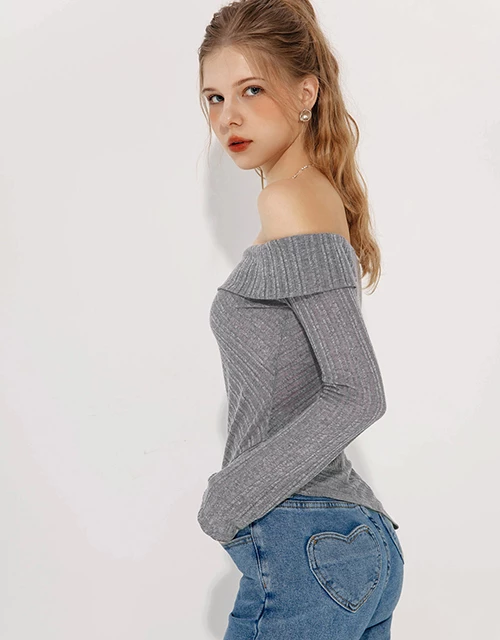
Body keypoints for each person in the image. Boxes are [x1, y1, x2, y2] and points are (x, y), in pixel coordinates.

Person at [196, 1, 405, 638]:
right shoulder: (312, 196)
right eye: (213, 98)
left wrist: (228, 500)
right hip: (349, 546)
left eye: (251, 90)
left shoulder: (290, 201)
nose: (227, 117)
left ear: (306, 92)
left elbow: (358, 391)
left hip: (304, 541)